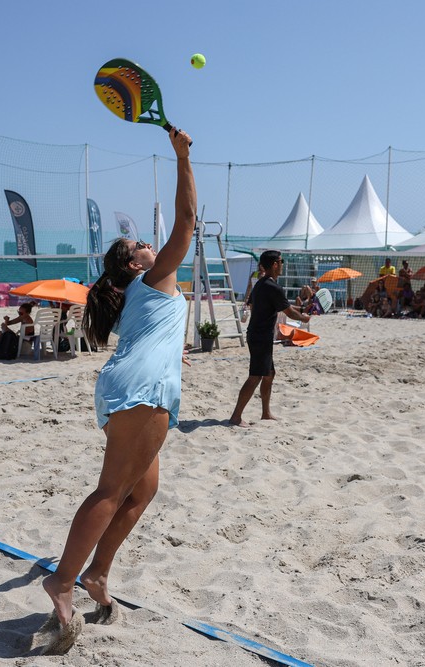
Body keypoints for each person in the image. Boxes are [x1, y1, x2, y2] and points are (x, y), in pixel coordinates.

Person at [40, 128, 196, 651]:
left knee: (143, 489)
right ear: (135, 266)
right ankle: (62, 581)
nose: (149, 246)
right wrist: (183, 159)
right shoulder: (153, 281)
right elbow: (188, 222)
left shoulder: (138, 291)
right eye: (140, 246)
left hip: (129, 384)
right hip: (142, 387)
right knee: (111, 492)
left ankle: (96, 573)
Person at [229, 249, 311, 427]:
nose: (282, 265)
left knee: (269, 374)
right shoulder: (273, 286)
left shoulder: (261, 283)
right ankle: (236, 417)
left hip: (258, 335)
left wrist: (302, 312)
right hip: (260, 337)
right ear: (274, 265)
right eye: (281, 262)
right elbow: (289, 312)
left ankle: (266, 413)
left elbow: (281, 307)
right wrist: (304, 317)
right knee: (255, 376)